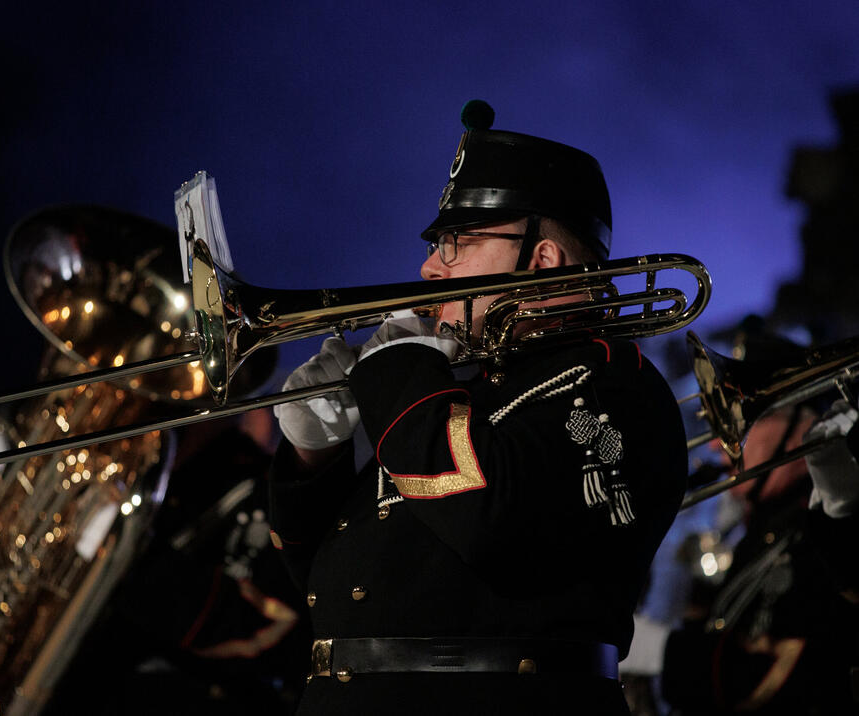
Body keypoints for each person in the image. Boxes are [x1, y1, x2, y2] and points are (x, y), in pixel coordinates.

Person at [268, 100, 689, 715]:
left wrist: (399, 375)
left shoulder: (612, 383)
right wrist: (314, 454)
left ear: (541, 258)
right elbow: (332, 590)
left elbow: (488, 517)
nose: (429, 268)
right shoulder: (471, 387)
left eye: (456, 243)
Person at [660, 329, 859, 714]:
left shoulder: (821, 521)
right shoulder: (758, 529)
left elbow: (798, 673)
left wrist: (660, 653)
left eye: (745, 418)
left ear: (802, 421)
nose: (720, 442)